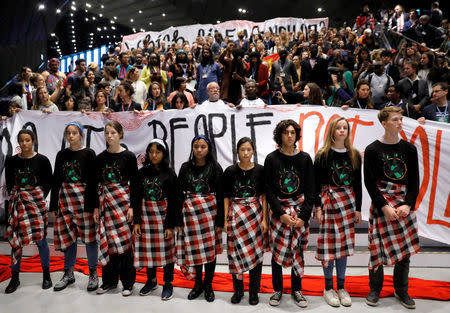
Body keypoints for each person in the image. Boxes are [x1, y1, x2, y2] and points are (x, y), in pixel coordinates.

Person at [364, 106, 420, 309]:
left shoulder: (409, 149)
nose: (400, 123)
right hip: (382, 204)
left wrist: (408, 204)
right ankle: (375, 289)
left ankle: (401, 289)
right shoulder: (372, 149)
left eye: (401, 119)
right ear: (384, 123)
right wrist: (384, 206)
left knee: (404, 251)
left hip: (403, 202)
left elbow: (414, 180)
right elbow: (369, 182)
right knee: (376, 248)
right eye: (395, 120)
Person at [264, 120, 314, 308]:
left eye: (293, 132)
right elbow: (268, 190)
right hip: (280, 211)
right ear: (280, 135)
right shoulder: (271, 158)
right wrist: (280, 214)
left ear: (297, 135)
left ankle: (297, 289)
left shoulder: (305, 158)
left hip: (299, 210)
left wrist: (303, 216)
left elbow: (310, 191)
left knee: (298, 251)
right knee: (277, 253)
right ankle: (277, 289)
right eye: (286, 132)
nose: (290, 136)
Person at [314, 117, 362, 307]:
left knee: (342, 247)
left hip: (348, 203)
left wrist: (358, 208)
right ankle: (328, 288)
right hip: (329, 202)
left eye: (345, 128)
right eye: (339, 128)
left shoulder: (354, 154)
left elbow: (357, 184)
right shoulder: (322, 154)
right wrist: (318, 207)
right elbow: (316, 184)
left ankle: (341, 286)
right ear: (332, 131)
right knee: (329, 247)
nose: (342, 131)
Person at [50, 122, 98, 292]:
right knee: (69, 238)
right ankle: (68, 273)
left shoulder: (89, 153)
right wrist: (53, 205)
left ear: (81, 135)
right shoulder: (61, 154)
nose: (71, 136)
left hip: (84, 200)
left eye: (74, 133)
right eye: (68, 133)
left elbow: (93, 182)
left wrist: (92, 206)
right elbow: (56, 179)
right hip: (65, 200)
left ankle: (93, 273)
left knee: (90, 238)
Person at [93, 121, 139, 296]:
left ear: (120, 134)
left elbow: (135, 184)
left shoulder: (129, 157)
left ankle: (128, 283)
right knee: (108, 244)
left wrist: (133, 207)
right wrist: (96, 208)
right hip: (106, 205)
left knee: (126, 245)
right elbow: (95, 184)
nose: (110, 136)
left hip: (123, 204)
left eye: (113, 132)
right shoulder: (100, 158)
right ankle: (109, 282)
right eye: (107, 133)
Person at [4, 129, 53, 293]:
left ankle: (46, 275)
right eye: (22, 140)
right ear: (18, 142)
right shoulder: (11, 161)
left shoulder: (42, 160)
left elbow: (48, 182)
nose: (24, 144)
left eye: (27, 140)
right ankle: (15, 277)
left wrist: (36, 197)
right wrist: (20, 197)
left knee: (41, 240)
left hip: (36, 204)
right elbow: (10, 183)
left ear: (33, 141)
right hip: (18, 204)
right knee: (16, 241)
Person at [177, 135, 224, 302]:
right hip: (190, 216)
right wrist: (178, 220)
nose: (199, 150)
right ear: (192, 148)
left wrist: (220, 221)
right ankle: (197, 284)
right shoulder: (185, 168)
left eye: (203, 146)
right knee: (195, 251)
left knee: (210, 252)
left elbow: (221, 196)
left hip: (210, 216)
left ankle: (208, 285)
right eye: (196, 146)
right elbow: (178, 195)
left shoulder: (216, 168)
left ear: (208, 149)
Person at [134, 139, 182, 300]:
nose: (154, 155)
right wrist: (136, 221)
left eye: (158, 152)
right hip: (146, 217)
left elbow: (175, 201)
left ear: (164, 153)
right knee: (148, 251)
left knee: (167, 252)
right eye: (151, 152)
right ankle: (151, 280)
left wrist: (170, 225)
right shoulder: (141, 173)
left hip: (164, 218)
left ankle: (168, 282)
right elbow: (135, 198)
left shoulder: (169, 173)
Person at [223, 137, 268, 305]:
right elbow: (226, 197)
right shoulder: (229, 171)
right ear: (237, 152)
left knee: (256, 254)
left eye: (249, 149)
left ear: (253, 151)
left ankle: (254, 292)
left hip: (255, 216)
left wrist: (264, 219)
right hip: (235, 215)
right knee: (235, 255)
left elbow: (264, 197)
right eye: (242, 149)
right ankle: (239, 290)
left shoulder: (261, 170)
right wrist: (227, 219)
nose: (246, 153)